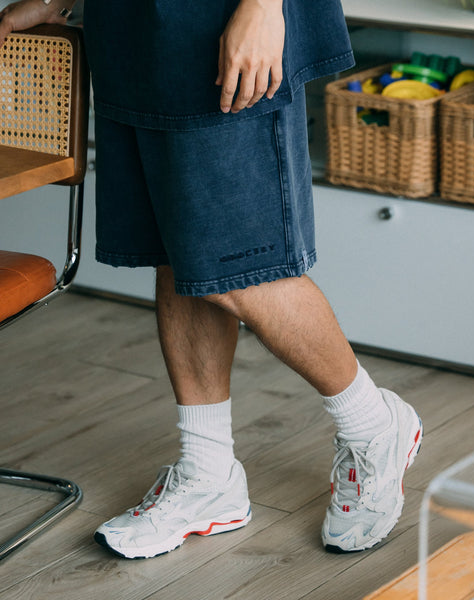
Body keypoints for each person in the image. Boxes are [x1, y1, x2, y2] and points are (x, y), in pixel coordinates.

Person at [0, 0, 423, 560]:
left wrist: (264, 7)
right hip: (135, 32)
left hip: (223, 22)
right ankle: (208, 473)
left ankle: (373, 424)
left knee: (243, 269)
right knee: (176, 253)